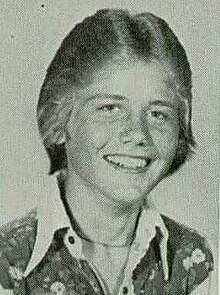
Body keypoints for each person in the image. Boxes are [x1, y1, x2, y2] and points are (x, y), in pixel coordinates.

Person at [0, 8, 214, 295]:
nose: (138, 134)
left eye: (158, 113)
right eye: (110, 108)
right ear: (60, 121)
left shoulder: (196, 263)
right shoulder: (8, 262)